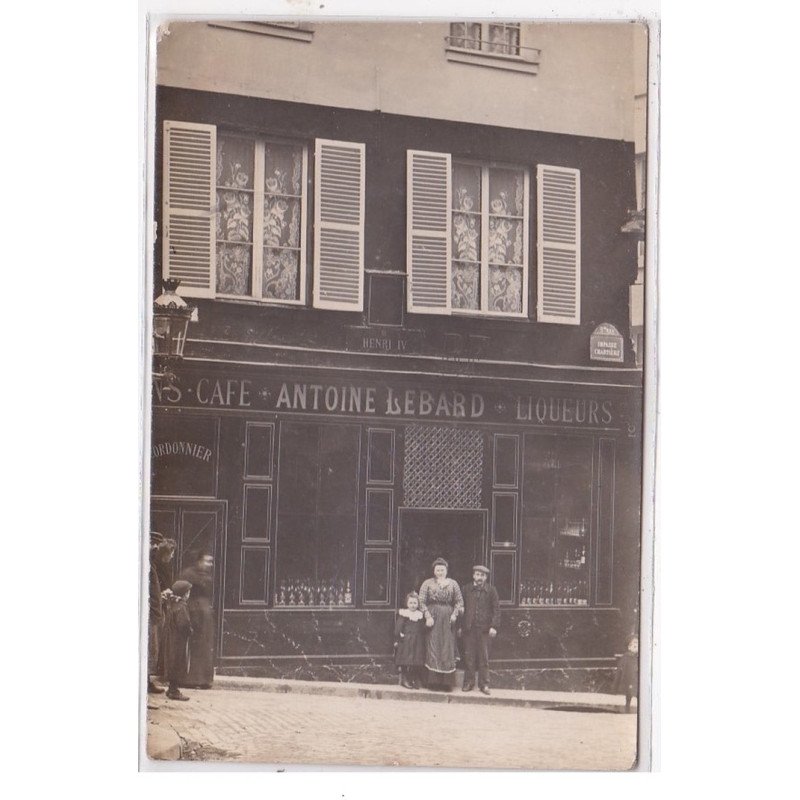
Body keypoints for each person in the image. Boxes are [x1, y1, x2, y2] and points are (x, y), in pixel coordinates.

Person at [418, 558, 463, 691]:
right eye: (437, 570)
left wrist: (455, 614)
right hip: (433, 617)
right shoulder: (427, 583)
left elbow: (459, 601)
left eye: (442, 570)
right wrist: (427, 616)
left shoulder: (453, 583)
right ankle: (433, 682)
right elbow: (421, 601)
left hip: (448, 618)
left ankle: (446, 683)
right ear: (434, 570)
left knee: (447, 647)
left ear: (446, 570)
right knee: (433, 645)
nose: (440, 572)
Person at [459, 564, 500, 695]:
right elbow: (461, 609)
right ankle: (469, 683)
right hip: (469, 629)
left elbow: (496, 610)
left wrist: (494, 626)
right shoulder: (466, 589)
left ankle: (484, 684)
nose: (479, 577)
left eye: (482, 575)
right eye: (477, 574)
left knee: (484, 658)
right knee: (469, 657)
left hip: (484, 630)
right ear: (473, 576)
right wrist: (460, 626)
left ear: (486, 577)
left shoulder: (491, 591)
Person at [179, 551, 216, 688]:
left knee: (205, 647)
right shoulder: (188, 574)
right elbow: (180, 591)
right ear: (199, 561)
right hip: (193, 613)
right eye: (207, 561)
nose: (209, 564)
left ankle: (205, 680)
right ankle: (191, 680)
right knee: (194, 647)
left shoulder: (207, 576)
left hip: (205, 616)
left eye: (211, 562)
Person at [147, 532, 170, 694]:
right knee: (149, 649)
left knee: (152, 650)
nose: (154, 547)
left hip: (154, 613)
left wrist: (160, 596)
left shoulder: (151, 564)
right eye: (152, 544)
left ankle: (147, 683)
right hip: (149, 614)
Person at [163, 580, 193, 701]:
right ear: (185, 594)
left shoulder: (173, 604)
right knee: (178, 663)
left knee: (172, 662)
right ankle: (173, 690)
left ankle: (171, 689)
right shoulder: (182, 607)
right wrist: (190, 630)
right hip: (179, 641)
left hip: (171, 638)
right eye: (188, 592)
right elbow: (184, 624)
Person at [394, 591, 425, 689]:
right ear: (407, 603)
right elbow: (398, 627)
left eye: (415, 603)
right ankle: (404, 679)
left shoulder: (420, 615)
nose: (413, 605)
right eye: (410, 603)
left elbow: (422, 627)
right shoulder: (404, 614)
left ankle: (413, 678)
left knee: (415, 660)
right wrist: (399, 635)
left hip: (417, 640)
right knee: (406, 659)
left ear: (418, 604)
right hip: (406, 639)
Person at [613, 634, 639, 713]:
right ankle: (628, 705)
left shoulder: (637, 657)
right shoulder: (626, 657)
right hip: (629, 679)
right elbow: (622, 671)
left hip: (635, 678)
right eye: (634, 644)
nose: (636, 645)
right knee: (629, 693)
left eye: (637, 643)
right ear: (629, 647)